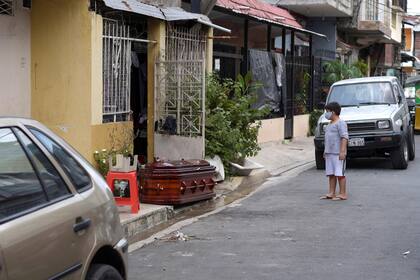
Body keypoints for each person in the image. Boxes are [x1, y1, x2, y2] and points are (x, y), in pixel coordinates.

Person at [320, 102, 349, 201]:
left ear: (333, 112)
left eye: (327, 111)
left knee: (340, 174)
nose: (326, 114)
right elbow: (328, 139)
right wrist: (325, 151)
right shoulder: (329, 125)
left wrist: (342, 151)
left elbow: (344, 137)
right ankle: (331, 192)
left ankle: (342, 193)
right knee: (331, 174)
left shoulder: (341, 123)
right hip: (329, 153)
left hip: (338, 153)